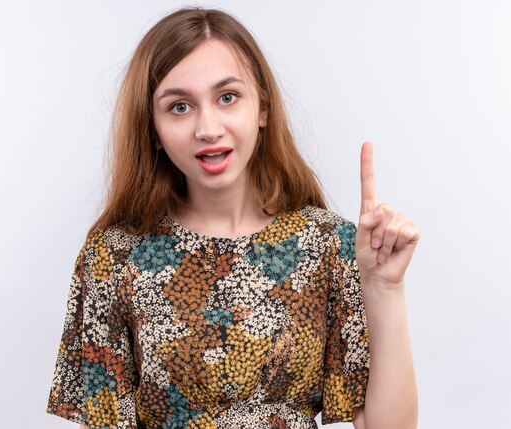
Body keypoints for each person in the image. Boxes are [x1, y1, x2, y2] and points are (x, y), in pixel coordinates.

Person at [46, 7, 419, 429]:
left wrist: (385, 289)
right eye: (180, 106)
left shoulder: (327, 243)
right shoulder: (114, 257)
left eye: (227, 97)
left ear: (261, 108)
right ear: (152, 129)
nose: (208, 128)